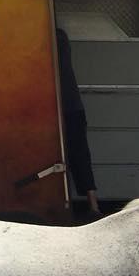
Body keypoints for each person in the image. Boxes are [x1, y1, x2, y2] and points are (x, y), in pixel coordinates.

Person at [56, 27, 102, 219]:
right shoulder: (60, 37)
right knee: (80, 155)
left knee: (75, 155)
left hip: (63, 106)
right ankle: (93, 206)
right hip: (72, 106)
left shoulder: (54, 38)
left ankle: (88, 206)